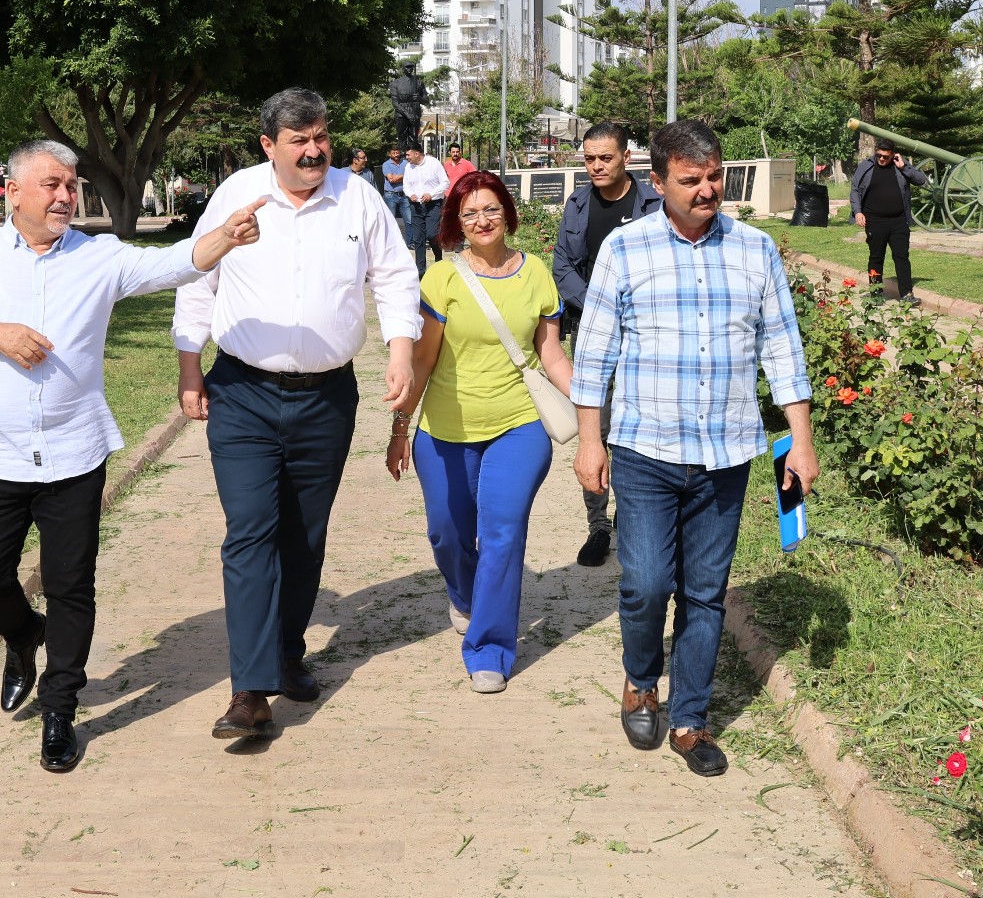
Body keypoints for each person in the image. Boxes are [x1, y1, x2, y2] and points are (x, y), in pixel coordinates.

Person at [0, 140, 266, 774]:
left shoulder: (98, 257)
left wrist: (226, 237)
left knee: (71, 585)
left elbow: (175, 264)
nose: (64, 196)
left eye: (71, 185)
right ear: (13, 192)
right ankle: (24, 635)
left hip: (75, 450)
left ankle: (60, 710)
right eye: (51, 184)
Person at [569, 120, 817, 778]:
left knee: (705, 592)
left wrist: (800, 442)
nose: (707, 190)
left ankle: (690, 719)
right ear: (658, 183)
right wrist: (588, 441)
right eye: (691, 180)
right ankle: (640, 678)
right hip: (644, 449)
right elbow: (594, 354)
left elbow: (781, 347)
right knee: (647, 583)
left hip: (727, 452)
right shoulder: (625, 250)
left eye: (714, 177)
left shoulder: (754, 249)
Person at [174, 89, 421, 743]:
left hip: (325, 398)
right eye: (298, 140)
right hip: (243, 394)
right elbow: (199, 279)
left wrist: (400, 354)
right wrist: (188, 367)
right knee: (250, 530)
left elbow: (396, 277)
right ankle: (249, 690)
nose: (313, 151)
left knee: (303, 535)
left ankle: (285, 651)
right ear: (268, 145)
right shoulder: (236, 195)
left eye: (320, 137)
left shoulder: (357, 197)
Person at [388, 171, 573, 693]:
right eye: (469, 214)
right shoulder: (441, 280)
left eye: (490, 210)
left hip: (519, 425)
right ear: (456, 223)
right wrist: (401, 428)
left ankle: (489, 647)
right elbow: (422, 361)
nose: (481, 221)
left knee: (502, 531)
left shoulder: (535, 273)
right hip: (444, 429)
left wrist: (590, 406)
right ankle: (466, 597)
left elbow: (551, 354)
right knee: (447, 533)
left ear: (507, 214)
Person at [550, 121, 661, 568]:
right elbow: (562, 268)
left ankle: (632, 519)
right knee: (594, 428)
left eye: (605, 158)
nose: (596, 166)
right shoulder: (578, 204)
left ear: (625, 158)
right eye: (589, 158)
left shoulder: (653, 204)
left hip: (646, 333)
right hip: (593, 331)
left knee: (637, 429)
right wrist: (598, 306)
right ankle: (598, 527)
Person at [850, 139, 930, 308]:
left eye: (885, 157)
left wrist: (904, 167)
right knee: (876, 258)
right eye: (878, 155)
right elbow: (855, 189)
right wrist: (858, 212)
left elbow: (921, 180)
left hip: (898, 221)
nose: (881, 159)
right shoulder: (866, 166)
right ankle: (876, 293)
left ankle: (907, 294)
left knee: (902, 257)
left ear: (893, 154)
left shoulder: (900, 164)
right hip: (875, 221)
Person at [400, 140, 450, 273]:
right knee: (418, 238)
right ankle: (420, 271)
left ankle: (438, 259)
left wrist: (431, 194)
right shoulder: (408, 167)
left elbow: (445, 183)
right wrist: (411, 194)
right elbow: (406, 186)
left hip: (433, 204)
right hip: (415, 205)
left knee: (432, 234)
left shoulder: (433, 163)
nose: (406, 157)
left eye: (408, 155)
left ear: (417, 153)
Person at [380, 145, 409, 230]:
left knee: (409, 220)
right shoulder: (386, 165)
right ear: (389, 154)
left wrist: (399, 177)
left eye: (397, 152)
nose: (396, 155)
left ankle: (410, 243)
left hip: (404, 195)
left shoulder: (406, 163)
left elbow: (411, 176)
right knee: (390, 220)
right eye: (394, 153)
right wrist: (405, 176)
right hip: (391, 195)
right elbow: (391, 179)